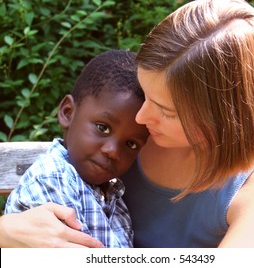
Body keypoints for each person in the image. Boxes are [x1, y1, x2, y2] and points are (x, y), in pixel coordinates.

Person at [0, 0, 254, 248]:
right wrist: (9, 231)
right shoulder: (128, 134)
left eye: (166, 110)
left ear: (225, 118)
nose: (141, 117)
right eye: (146, 94)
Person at [3, 50, 149, 248]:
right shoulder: (53, 180)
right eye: (102, 128)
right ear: (67, 112)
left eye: (131, 144)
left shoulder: (113, 195)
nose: (113, 151)